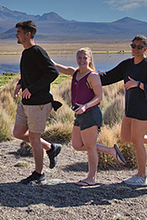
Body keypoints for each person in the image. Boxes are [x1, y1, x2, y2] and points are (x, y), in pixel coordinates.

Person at [99, 35, 147, 186]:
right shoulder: (127, 64)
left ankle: (142, 176)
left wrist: (138, 84)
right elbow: (109, 76)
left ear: (146, 49)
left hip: (143, 108)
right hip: (131, 107)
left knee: (137, 141)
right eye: (133, 46)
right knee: (126, 136)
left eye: (139, 47)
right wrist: (90, 75)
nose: (135, 49)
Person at [53, 48, 124, 186]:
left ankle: (91, 178)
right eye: (79, 58)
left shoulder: (93, 76)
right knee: (77, 145)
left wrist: (85, 106)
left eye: (84, 58)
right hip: (79, 114)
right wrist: (39, 53)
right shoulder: (76, 73)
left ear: (90, 59)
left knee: (90, 148)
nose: (81, 61)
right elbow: (58, 66)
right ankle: (110, 150)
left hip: (90, 114)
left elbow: (99, 97)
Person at [13, 20, 62, 185]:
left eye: (19, 32)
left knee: (34, 138)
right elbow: (30, 73)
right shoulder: (26, 53)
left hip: (38, 104)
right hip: (26, 103)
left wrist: (32, 89)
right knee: (18, 133)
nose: (16, 35)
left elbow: (52, 72)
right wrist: (20, 84)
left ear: (28, 34)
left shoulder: (37, 51)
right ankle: (51, 148)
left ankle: (39, 174)